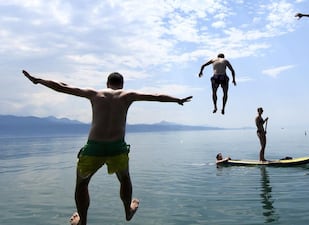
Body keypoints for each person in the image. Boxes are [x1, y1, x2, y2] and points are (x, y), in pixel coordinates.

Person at [22, 70, 192, 225]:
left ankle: (83, 222)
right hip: (117, 147)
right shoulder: (127, 95)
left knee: (82, 185)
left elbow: (63, 87)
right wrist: (177, 100)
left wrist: (38, 80)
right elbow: (156, 96)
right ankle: (128, 212)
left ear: (107, 84)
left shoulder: (95, 94)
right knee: (124, 179)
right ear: (122, 85)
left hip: (94, 148)